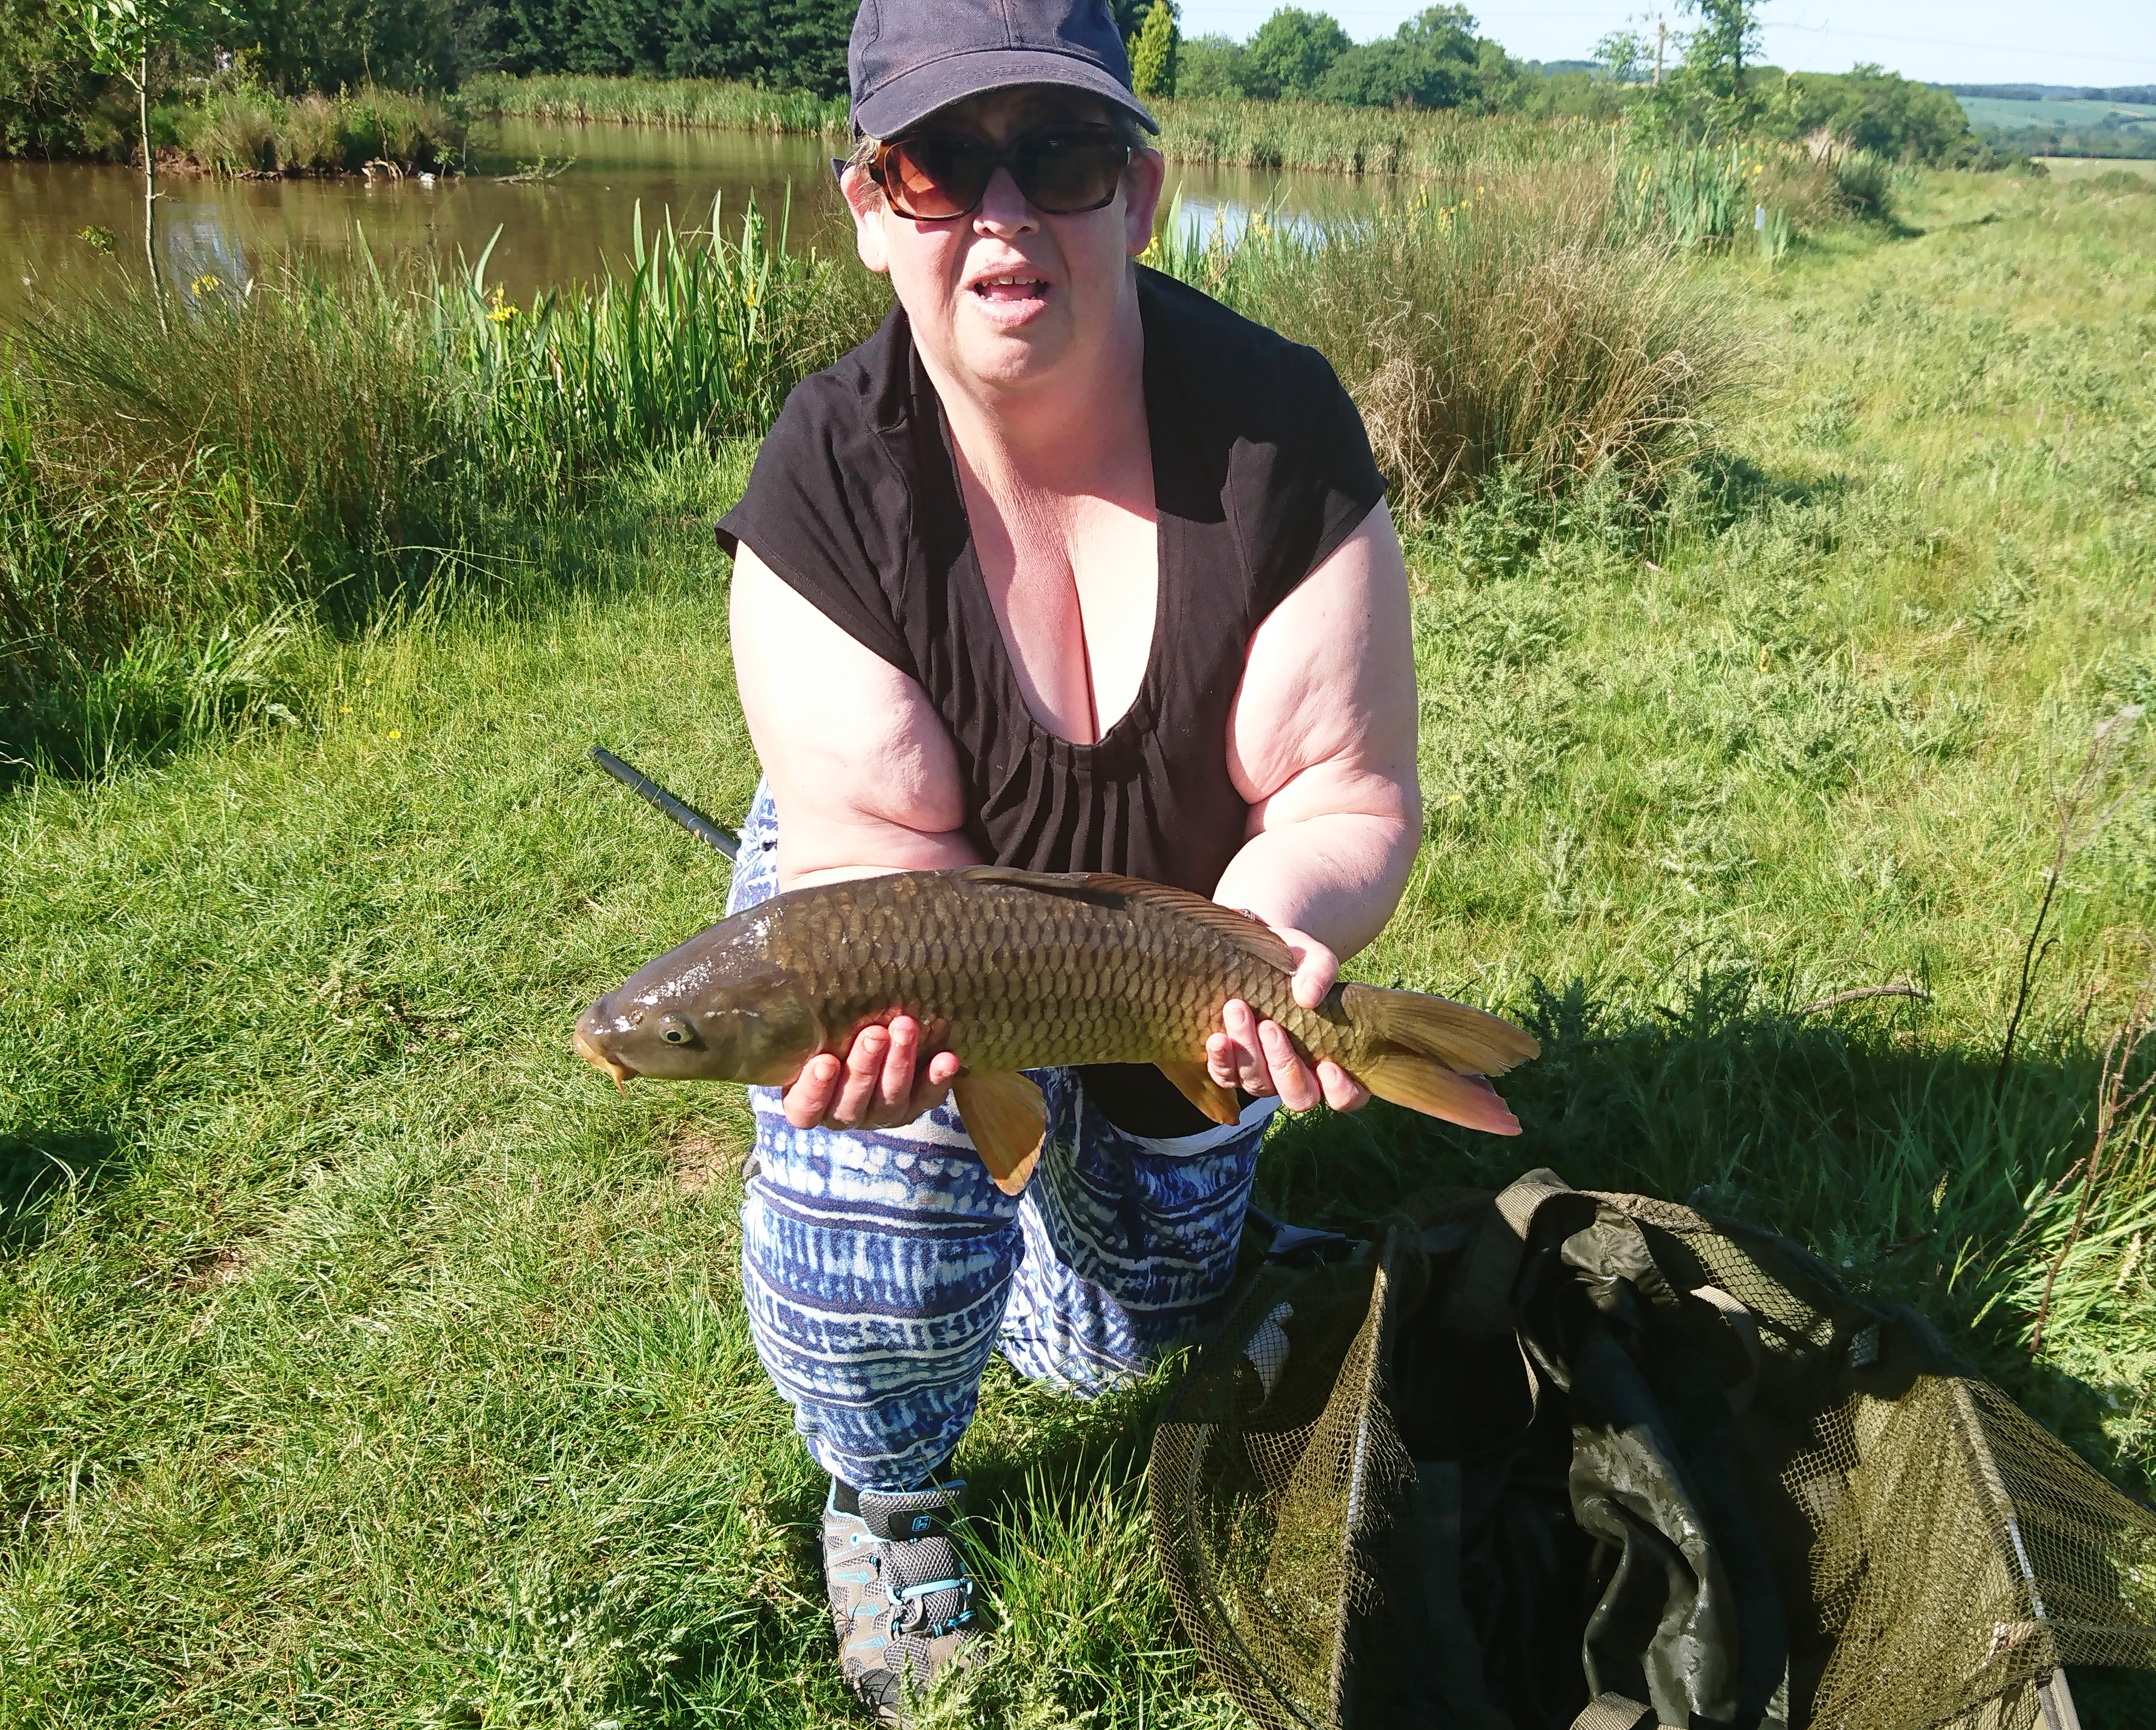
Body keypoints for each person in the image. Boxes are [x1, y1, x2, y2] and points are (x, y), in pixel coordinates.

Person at [714, 0, 1419, 1716]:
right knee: (876, 1197)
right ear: (868, 207)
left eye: (1063, 156)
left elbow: (1343, 793)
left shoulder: (1277, 429)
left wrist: (1264, 945)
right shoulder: (825, 475)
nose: (1004, 214)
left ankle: (1090, 1240)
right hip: (913, 912)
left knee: (1115, 1333)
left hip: (1183, 921)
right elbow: (890, 868)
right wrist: (940, 1092)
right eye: (939, 164)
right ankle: (887, 1492)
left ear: (1143, 194)